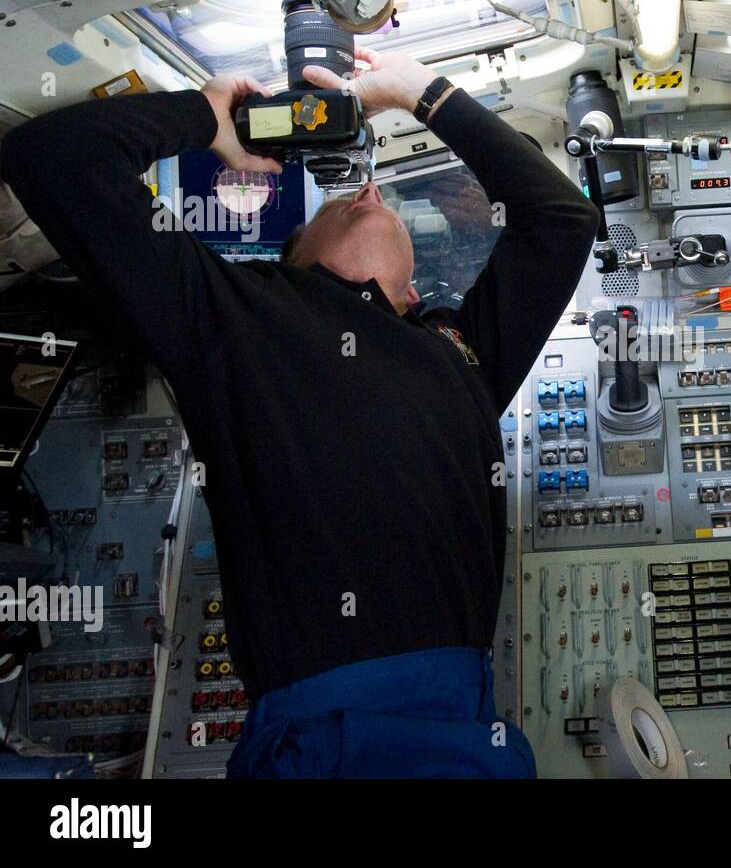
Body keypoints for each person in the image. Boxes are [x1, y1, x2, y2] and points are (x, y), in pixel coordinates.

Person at [0, 47, 601, 777]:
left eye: (370, 193)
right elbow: (52, 156)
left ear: (416, 295)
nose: (369, 192)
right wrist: (212, 118)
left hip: (454, 735)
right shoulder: (231, 320)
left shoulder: (461, 354)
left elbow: (562, 220)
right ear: (288, 258)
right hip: (335, 745)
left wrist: (424, 96)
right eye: (342, 200)